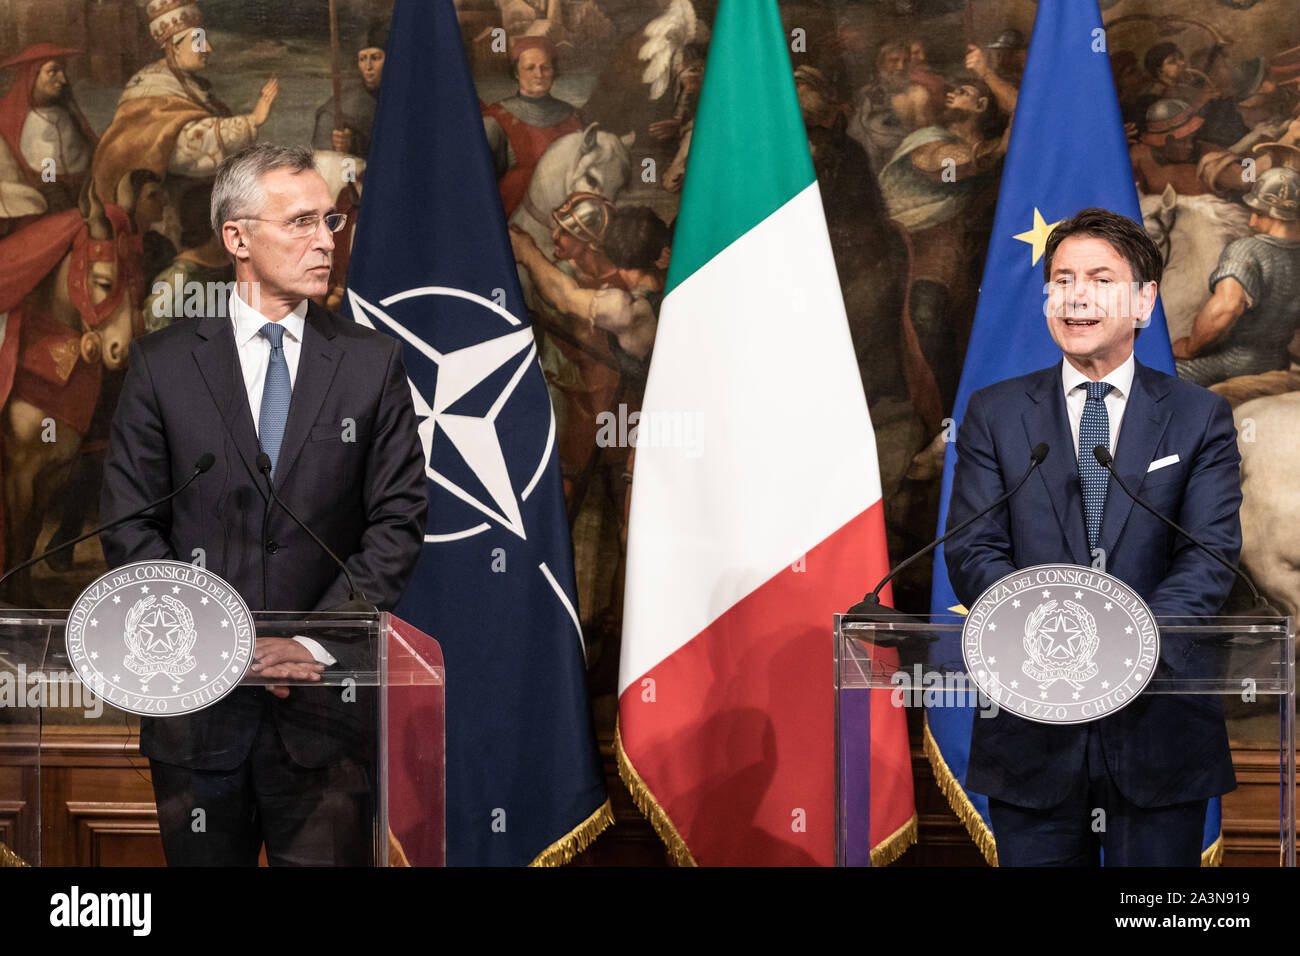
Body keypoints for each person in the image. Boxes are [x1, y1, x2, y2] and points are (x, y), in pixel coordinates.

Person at [99, 143, 428, 866]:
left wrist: (308, 644)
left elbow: (397, 521)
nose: (325, 241)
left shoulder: (372, 365)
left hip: (325, 718)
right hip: (196, 715)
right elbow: (130, 529)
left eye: (332, 221)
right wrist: (221, 646)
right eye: (301, 221)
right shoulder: (164, 364)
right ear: (237, 238)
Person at [945, 207, 1241, 866]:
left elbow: (1209, 558)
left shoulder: (1199, 418)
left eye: (1099, 279)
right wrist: (1060, 650)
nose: (1075, 295)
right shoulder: (996, 414)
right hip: (1034, 729)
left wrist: (1119, 652)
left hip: (1160, 728)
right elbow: (973, 550)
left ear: (1142, 301)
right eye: (1061, 279)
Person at [91, 0, 277, 220]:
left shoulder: (191, 86)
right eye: (198, 41)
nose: (208, 48)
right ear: (173, 46)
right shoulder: (151, 90)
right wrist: (251, 121)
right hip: (165, 212)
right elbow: (179, 148)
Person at [1174, 157, 1300, 386]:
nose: (1252, 220)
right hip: (1278, 361)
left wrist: (1190, 347)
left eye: (1257, 212)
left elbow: (1227, 307)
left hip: (1234, 362)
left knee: (1159, 375)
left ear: (1270, 212)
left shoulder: (1247, 249)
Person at [0, 43, 98, 234]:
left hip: (85, 190)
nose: (62, 79)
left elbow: (88, 150)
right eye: (53, 72)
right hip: (50, 199)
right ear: (33, 76)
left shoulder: (67, 114)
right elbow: (46, 162)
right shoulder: (22, 119)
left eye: (63, 72)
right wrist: (52, 186)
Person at [481, 36, 582, 216]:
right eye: (530, 68)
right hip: (512, 222)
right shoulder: (495, 119)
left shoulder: (573, 117)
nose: (539, 74)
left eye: (546, 67)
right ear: (516, 73)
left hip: (569, 219)